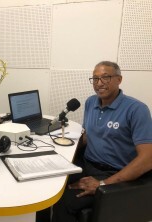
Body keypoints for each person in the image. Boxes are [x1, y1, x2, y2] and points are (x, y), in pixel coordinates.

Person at [48, 61, 152, 222]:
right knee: (48, 186)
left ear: (119, 79)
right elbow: (89, 135)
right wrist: (62, 146)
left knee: (63, 203)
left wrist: (103, 183)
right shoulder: (91, 102)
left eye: (106, 77)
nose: (99, 83)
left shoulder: (137, 110)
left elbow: (147, 159)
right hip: (87, 164)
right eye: (95, 79)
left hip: (113, 174)